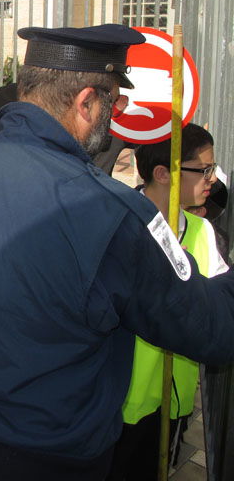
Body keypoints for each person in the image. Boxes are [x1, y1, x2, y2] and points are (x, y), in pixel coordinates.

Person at [0, 24, 234, 481]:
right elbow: (211, 327)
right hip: (40, 460)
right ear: (87, 102)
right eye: (114, 101)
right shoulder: (109, 211)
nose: (117, 114)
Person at [106, 123, 228, 480]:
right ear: (162, 173)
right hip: (121, 404)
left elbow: (218, 307)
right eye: (204, 169)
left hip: (174, 401)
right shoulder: (118, 226)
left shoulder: (203, 231)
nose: (213, 179)